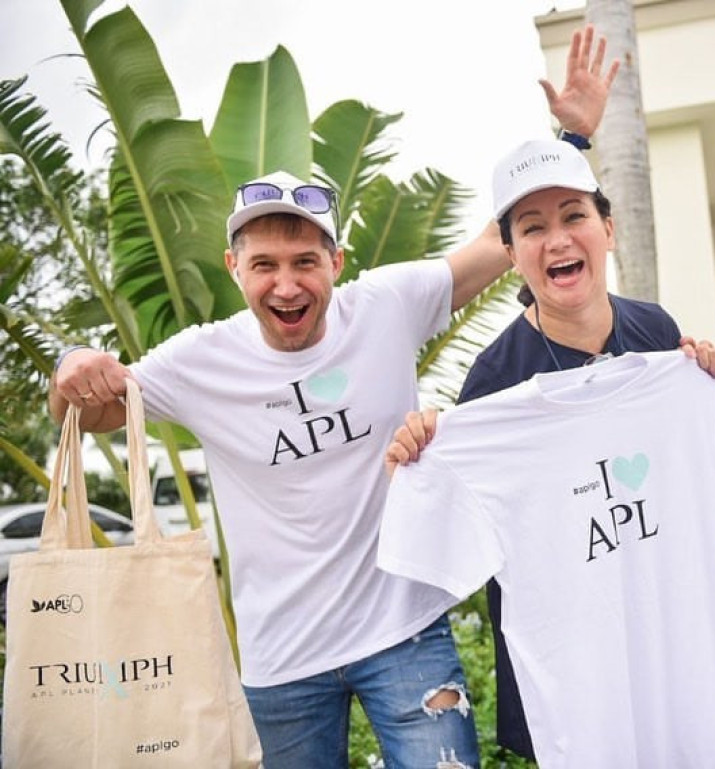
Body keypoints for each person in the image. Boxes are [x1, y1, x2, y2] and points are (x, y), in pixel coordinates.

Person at [47, 25, 619, 769]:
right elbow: (91, 407)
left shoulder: (387, 304)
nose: (286, 284)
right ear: (234, 267)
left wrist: (570, 138)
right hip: (282, 661)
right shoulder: (199, 359)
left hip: (406, 631)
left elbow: (502, 240)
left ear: (336, 261)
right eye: (264, 264)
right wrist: (69, 366)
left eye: (305, 262)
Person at [384, 138, 715, 761]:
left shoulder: (657, 332)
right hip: (576, 673)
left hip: (670, 647)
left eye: (574, 216)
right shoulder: (492, 383)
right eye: (533, 228)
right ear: (512, 254)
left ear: (608, 230)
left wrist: (705, 375)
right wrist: (422, 455)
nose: (558, 239)